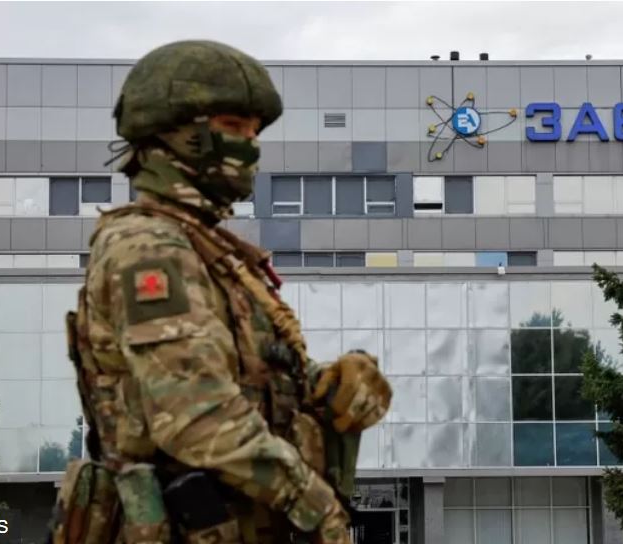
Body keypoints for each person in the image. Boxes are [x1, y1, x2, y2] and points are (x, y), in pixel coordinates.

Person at [51, 40, 392, 544]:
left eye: (255, 132)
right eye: (233, 127)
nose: (250, 146)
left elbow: (251, 384)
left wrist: (335, 382)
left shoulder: (213, 252)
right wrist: (317, 509)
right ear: (176, 133)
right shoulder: (147, 248)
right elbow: (196, 416)